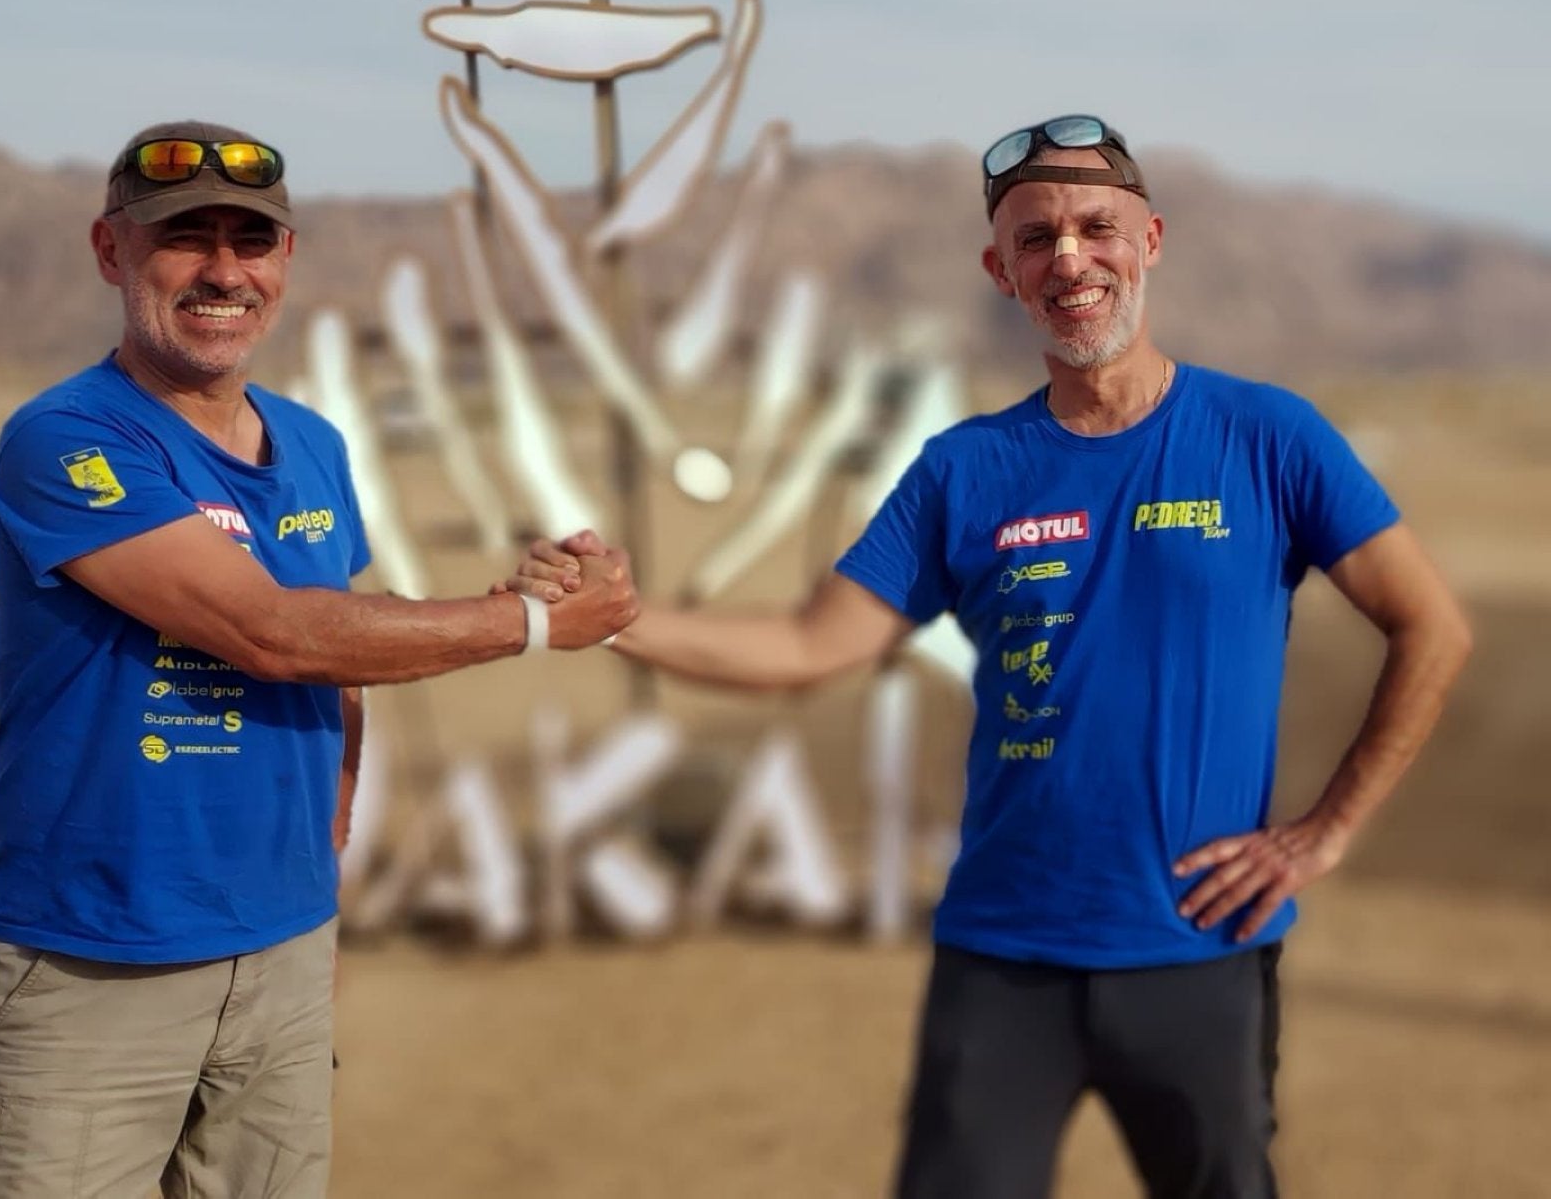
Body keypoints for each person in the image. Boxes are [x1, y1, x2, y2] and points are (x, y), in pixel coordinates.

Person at [506, 116, 1472, 1199]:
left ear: (1150, 239)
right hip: (1003, 954)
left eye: (1096, 228)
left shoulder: (1267, 437)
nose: (1069, 258)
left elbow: (1431, 624)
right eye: (1035, 238)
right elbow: (808, 643)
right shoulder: (966, 470)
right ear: (999, 271)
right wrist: (624, 618)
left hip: (1200, 950)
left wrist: (1323, 833)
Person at [0, 120, 637, 1199]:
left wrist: (315, 873)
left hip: (278, 953)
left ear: (286, 261)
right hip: (99, 956)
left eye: (252, 241)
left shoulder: (312, 443)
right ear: (110, 251)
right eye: (184, 237)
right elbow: (272, 633)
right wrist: (534, 620)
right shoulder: (70, 440)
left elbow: (341, 654)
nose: (223, 271)